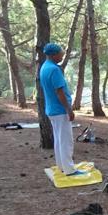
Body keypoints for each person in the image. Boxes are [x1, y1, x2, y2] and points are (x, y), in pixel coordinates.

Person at [39, 43, 78, 176]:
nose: (62, 56)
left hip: (51, 110)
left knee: (59, 139)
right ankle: (69, 169)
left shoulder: (44, 67)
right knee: (66, 140)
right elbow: (59, 92)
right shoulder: (54, 70)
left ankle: (61, 166)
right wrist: (69, 109)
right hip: (60, 110)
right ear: (53, 55)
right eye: (61, 54)